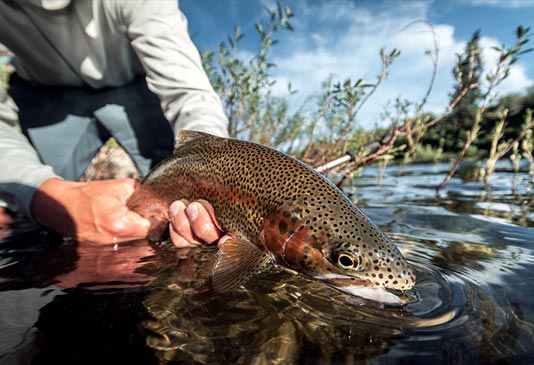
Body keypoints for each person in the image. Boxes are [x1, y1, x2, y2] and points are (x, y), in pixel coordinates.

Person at [0, 0, 227, 247]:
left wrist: (213, 173)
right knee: (22, 204)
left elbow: (188, 92)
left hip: (134, 90)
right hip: (44, 96)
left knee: (174, 198)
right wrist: (41, 196)